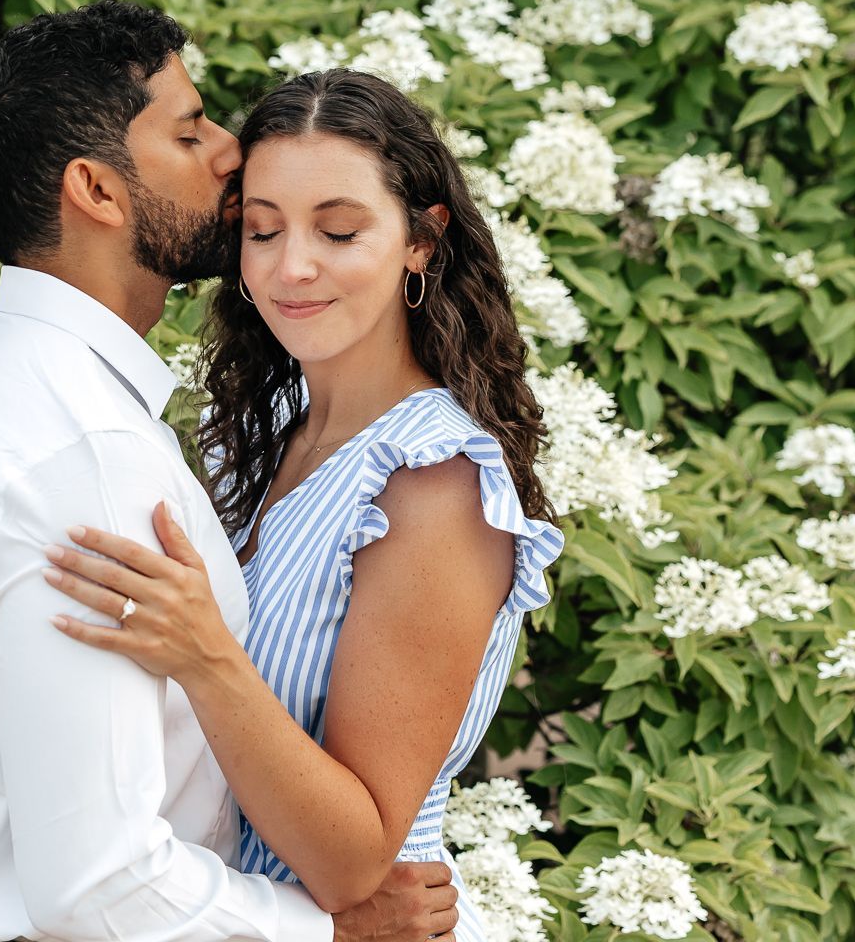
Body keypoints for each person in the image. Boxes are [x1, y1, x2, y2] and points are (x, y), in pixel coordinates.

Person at [0, 3, 459, 942]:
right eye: (189, 132)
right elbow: (100, 883)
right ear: (97, 192)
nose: (231, 151)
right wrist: (328, 932)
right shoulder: (85, 453)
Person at [39, 69, 566, 936]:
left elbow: (353, 859)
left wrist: (204, 656)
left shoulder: (434, 486)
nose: (293, 267)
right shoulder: (255, 428)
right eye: (261, 230)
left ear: (421, 242)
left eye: (340, 230)